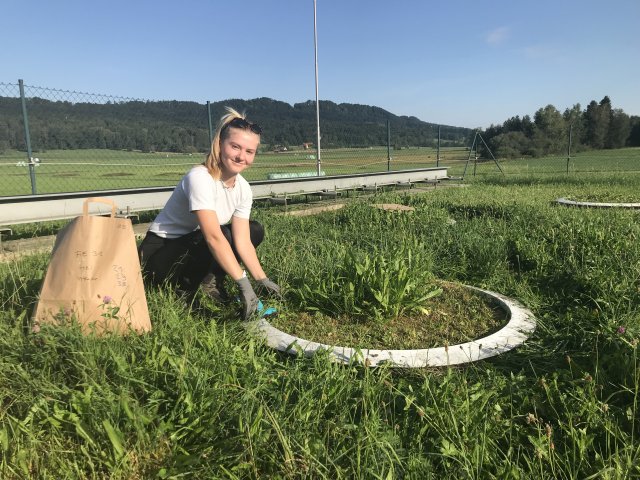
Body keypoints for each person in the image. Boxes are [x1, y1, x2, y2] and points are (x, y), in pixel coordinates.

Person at [138, 107, 281, 320]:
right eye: (235, 147)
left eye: (249, 151)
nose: (241, 156)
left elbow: (243, 241)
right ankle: (183, 295)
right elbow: (213, 237)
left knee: (254, 230)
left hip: (192, 247)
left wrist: (262, 280)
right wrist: (244, 285)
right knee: (220, 235)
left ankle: (210, 283)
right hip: (159, 257)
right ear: (220, 144)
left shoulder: (243, 188)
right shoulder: (200, 177)